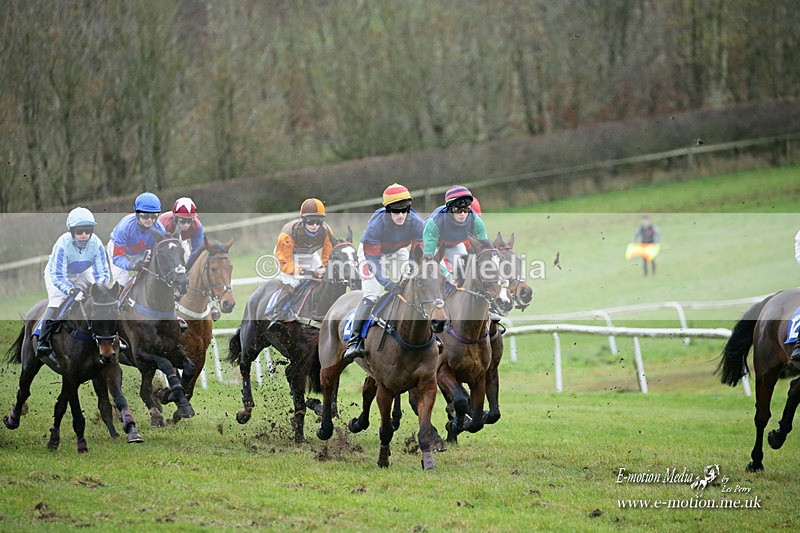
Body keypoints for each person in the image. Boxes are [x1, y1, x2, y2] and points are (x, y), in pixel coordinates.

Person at [344, 183, 426, 359]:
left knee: (411, 287)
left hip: (397, 252)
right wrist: (388, 284)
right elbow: (373, 261)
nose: (401, 215)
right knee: (372, 295)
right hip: (371, 254)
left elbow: (416, 253)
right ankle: (354, 340)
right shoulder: (376, 225)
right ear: (387, 210)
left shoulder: (416, 222)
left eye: (405, 210)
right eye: (396, 211)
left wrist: (408, 273)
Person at [37, 207, 111, 364]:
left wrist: (99, 290)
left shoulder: (96, 243)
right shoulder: (63, 244)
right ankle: (42, 340)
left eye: (88, 231)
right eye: (79, 231)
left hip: (83, 272)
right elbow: (57, 276)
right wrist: (71, 291)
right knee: (56, 302)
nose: (84, 235)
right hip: (58, 275)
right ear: (71, 231)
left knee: (101, 302)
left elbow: (103, 272)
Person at [266, 198, 336, 330]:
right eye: (311, 221)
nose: (315, 225)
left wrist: (324, 268)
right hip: (286, 257)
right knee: (293, 283)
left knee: (326, 279)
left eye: (319, 221)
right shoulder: (288, 231)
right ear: (303, 220)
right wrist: (307, 273)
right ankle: (277, 314)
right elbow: (285, 262)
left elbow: (328, 256)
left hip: (309, 255)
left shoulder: (326, 231)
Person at [422, 185, 488, 286]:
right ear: (449, 209)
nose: (462, 214)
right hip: (431, 244)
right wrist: (448, 276)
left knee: (463, 272)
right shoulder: (435, 223)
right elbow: (430, 259)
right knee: (438, 275)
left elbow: (485, 250)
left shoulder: (476, 221)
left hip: (454, 244)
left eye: (466, 210)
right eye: (458, 210)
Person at [107, 191, 167, 287]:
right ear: (137, 213)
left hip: (140, 252)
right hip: (120, 252)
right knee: (122, 282)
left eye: (154, 216)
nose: (150, 220)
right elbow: (118, 258)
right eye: (145, 215)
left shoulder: (160, 230)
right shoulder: (124, 227)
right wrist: (132, 265)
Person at [158, 197, 205, 263]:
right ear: (175, 218)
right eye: (182, 220)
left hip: (182, 241)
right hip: (164, 241)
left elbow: (197, 250)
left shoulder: (197, 226)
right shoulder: (163, 224)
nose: (186, 225)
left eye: (189, 221)